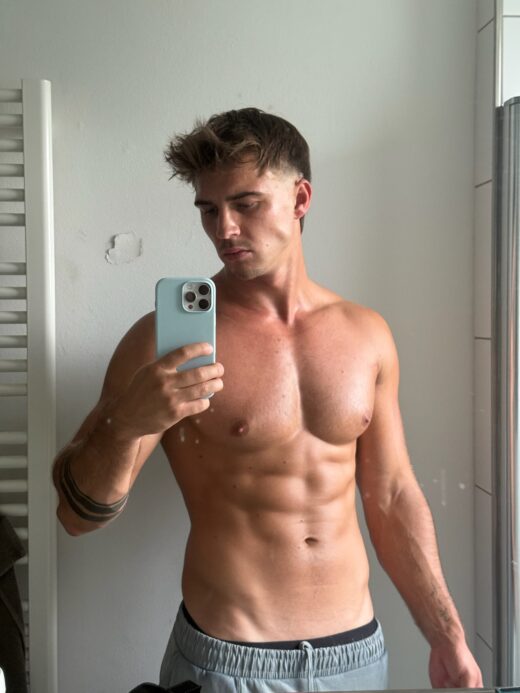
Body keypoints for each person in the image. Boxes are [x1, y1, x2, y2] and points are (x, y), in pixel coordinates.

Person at [52, 107, 482, 692]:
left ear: (300, 198)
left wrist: (447, 635)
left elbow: (392, 496)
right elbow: (74, 518)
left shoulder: (366, 335)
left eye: (246, 204)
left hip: (355, 659)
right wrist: (124, 424)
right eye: (208, 209)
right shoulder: (163, 342)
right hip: (227, 665)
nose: (223, 229)